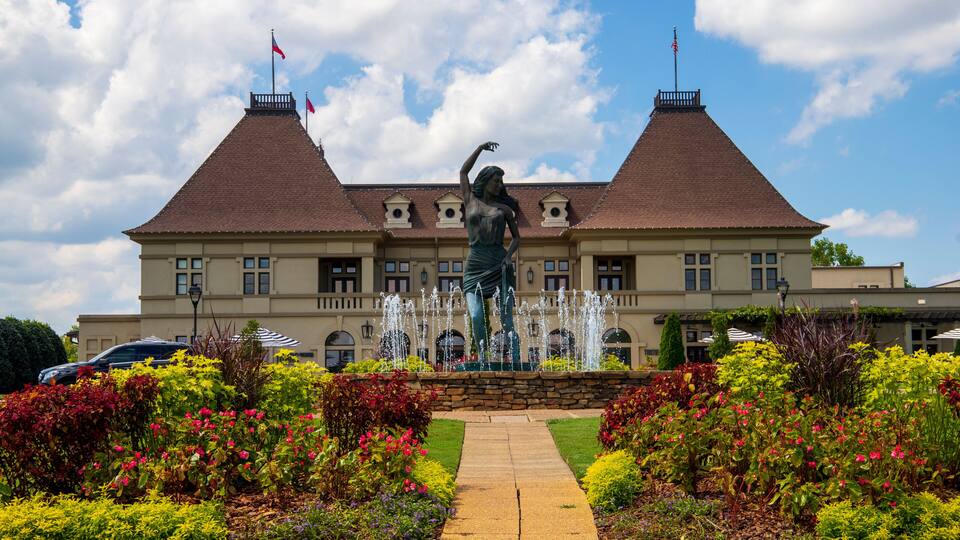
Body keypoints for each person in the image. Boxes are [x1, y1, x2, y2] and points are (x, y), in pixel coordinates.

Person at [459, 141, 521, 363]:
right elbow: (463, 171)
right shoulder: (470, 200)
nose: (500, 184)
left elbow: (517, 238)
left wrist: (507, 258)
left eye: (501, 181)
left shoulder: (503, 209)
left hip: (498, 263)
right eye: (497, 180)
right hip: (475, 263)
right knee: (476, 315)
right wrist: (479, 148)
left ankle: (515, 357)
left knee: (506, 318)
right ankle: (483, 356)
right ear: (486, 181)